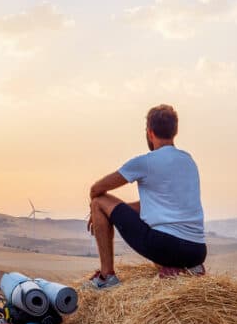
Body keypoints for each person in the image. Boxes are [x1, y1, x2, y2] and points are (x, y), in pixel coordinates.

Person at [85, 104, 206, 289]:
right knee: (116, 210)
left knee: (98, 202)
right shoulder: (188, 161)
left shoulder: (145, 162)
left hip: (166, 247)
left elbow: (96, 189)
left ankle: (107, 276)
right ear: (175, 131)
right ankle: (187, 269)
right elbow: (153, 206)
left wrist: (98, 212)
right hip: (197, 251)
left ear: (150, 132)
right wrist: (119, 211)